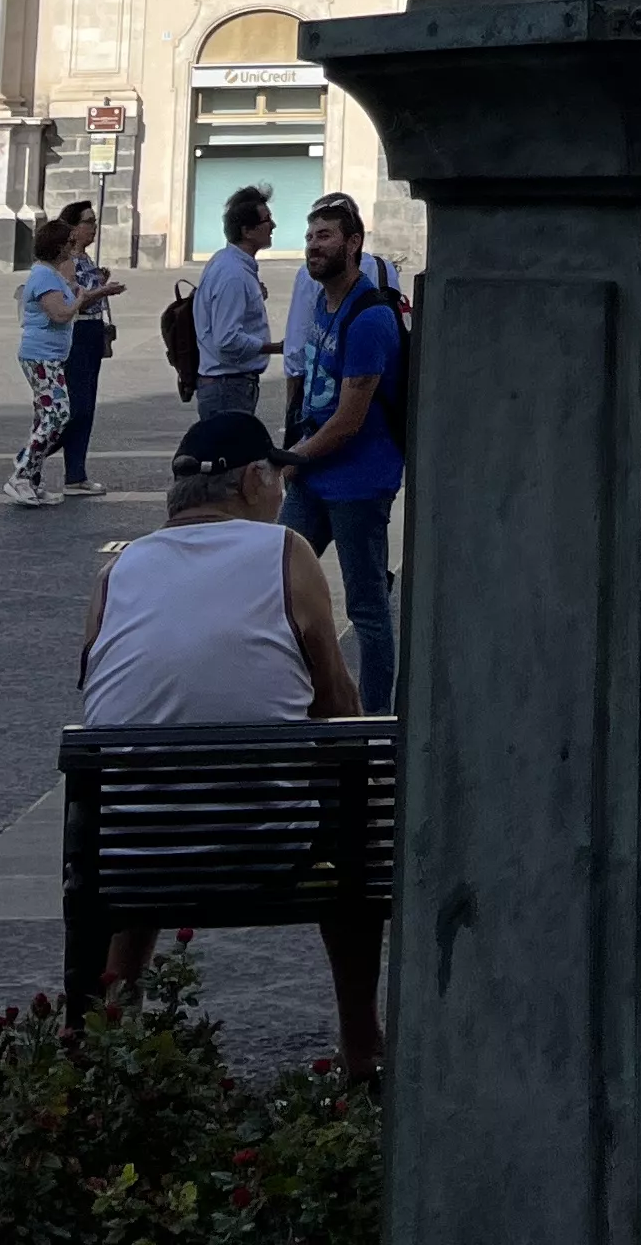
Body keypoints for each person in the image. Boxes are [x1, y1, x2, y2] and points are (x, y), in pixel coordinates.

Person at [77, 410, 382, 1080]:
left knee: (149, 789)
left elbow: (100, 689)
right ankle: (363, 1043)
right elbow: (338, 709)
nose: (281, 495)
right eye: (276, 478)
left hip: (129, 858)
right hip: (260, 846)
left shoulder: (118, 571)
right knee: (356, 808)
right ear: (253, 480)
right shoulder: (285, 552)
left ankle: (110, 1032)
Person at [280, 195, 401, 716]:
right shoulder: (321, 305)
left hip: (358, 481)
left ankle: (374, 718)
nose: (314, 247)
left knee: (367, 607)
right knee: (275, 589)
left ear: (353, 244)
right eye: (310, 237)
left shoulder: (371, 318)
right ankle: (293, 698)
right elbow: (311, 389)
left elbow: (350, 420)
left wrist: (291, 458)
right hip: (313, 477)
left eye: (325, 236)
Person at [6, 207, 119, 509]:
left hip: (52, 356)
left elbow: (69, 295)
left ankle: (29, 477)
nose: (73, 248)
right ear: (58, 247)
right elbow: (60, 313)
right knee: (57, 414)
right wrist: (82, 298)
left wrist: (82, 288)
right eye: (69, 244)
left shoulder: (54, 274)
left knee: (51, 415)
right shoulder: (43, 275)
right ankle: (22, 472)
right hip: (41, 356)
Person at [191, 190, 275, 428]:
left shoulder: (228, 263)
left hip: (227, 385)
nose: (273, 225)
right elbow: (227, 339)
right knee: (231, 462)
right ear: (247, 231)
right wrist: (274, 347)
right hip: (228, 387)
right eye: (267, 220)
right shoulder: (233, 274)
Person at [58, 206, 121, 500]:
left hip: (94, 330)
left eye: (94, 222)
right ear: (72, 227)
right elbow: (74, 300)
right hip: (77, 331)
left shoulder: (85, 258)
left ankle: (76, 474)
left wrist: (99, 282)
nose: (94, 227)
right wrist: (103, 291)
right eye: (88, 222)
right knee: (75, 408)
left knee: (87, 408)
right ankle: (29, 458)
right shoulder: (65, 260)